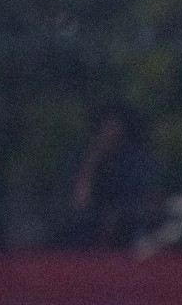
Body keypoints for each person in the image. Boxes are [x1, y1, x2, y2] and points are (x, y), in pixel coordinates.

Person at [69, 105, 161, 250]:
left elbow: (152, 202)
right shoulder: (84, 157)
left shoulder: (136, 161)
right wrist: (92, 161)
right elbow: (80, 203)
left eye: (115, 127)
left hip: (130, 229)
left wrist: (121, 218)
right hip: (91, 229)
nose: (110, 132)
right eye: (107, 127)